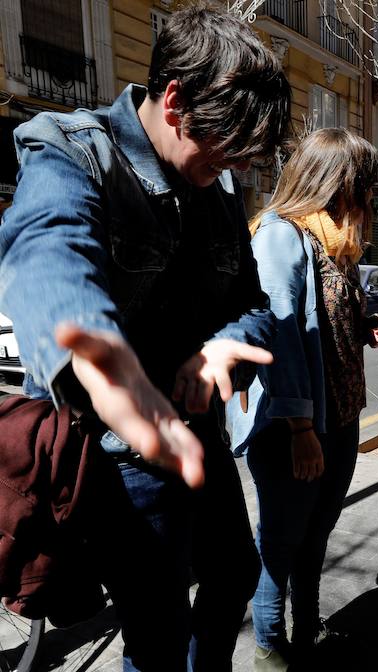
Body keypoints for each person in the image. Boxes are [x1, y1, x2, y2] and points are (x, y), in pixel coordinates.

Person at [0, 6, 291, 670]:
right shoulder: (72, 151)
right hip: (112, 455)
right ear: (175, 100)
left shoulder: (215, 188)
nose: (236, 165)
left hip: (198, 437)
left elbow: (254, 303)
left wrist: (225, 348)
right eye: (228, 143)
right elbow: (47, 252)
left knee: (235, 575)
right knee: (156, 631)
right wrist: (108, 368)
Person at [226, 128, 378, 671]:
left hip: (340, 416)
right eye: (363, 185)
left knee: (316, 534)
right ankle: (269, 645)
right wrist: (300, 430)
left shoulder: (333, 241)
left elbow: (323, 317)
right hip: (295, 425)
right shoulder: (279, 235)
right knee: (281, 540)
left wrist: (362, 324)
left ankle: (307, 631)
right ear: (335, 181)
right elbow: (279, 332)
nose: (369, 198)